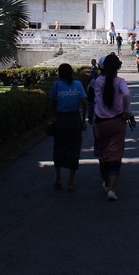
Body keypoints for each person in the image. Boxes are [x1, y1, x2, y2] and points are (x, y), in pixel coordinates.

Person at [93, 53, 135, 201]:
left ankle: (106, 181)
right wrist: (127, 112)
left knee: (103, 153)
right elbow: (127, 95)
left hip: (100, 122)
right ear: (118, 67)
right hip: (117, 121)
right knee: (116, 153)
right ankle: (111, 188)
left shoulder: (98, 81)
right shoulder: (120, 82)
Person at [48, 63, 89, 192]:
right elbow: (84, 102)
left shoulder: (57, 85)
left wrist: (54, 116)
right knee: (74, 150)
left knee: (58, 148)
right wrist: (83, 119)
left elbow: (52, 102)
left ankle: (58, 178)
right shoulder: (77, 84)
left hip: (61, 119)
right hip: (74, 119)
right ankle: (71, 182)